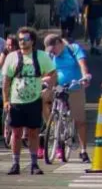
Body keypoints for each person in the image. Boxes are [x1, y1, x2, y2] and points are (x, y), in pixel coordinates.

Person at [2, 27, 56, 175]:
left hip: (34, 100)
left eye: (25, 39)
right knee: (16, 133)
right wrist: (6, 101)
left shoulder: (41, 56)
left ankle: (34, 164)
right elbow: (6, 81)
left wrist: (49, 89)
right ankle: (15, 163)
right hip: (16, 101)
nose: (22, 42)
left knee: (33, 132)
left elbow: (53, 73)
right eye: (20, 39)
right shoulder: (12, 57)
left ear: (32, 41)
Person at [43, 34, 91, 163]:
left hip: (74, 87)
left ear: (60, 43)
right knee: (41, 98)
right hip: (57, 86)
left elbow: (82, 64)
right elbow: (45, 70)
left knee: (80, 120)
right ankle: (52, 126)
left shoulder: (73, 49)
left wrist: (85, 76)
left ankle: (83, 150)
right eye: (50, 51)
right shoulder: (51, 55)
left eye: (53, 49)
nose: (52, 52)